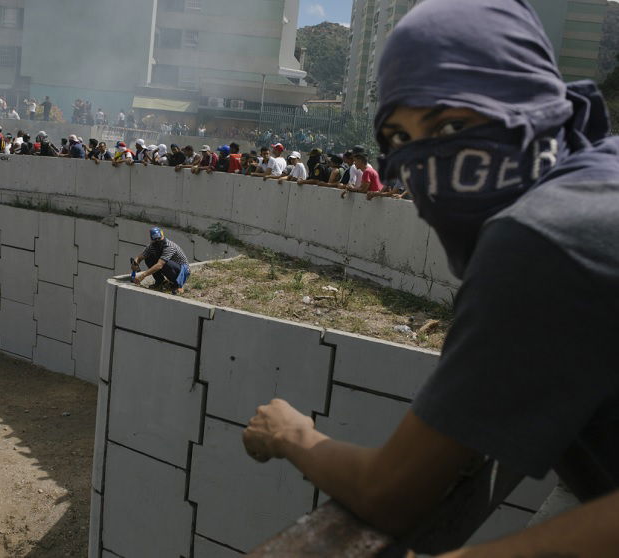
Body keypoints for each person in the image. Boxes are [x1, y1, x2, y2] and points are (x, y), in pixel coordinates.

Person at [243, 0, 619, 556]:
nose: (427, 162)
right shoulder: (599, 175)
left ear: (532, 101)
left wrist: (291, 434)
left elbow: (390, 493)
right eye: (400, 138)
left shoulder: (538, 241)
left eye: (451, 124)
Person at [130, 227, 190, 295]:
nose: (158, 242)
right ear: (152, 240)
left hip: (182, 271)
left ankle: (177, 285)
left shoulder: (169, 246)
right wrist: (135, 263)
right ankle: (160, 282)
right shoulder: (152, 246)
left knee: (164, 263)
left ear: (163, 236)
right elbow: (140, 257)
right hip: (168, 267)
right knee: (149, 258)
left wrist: (143, 276)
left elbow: (159, 265)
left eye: (160, 239)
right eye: (156, 240)